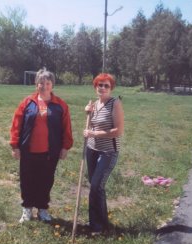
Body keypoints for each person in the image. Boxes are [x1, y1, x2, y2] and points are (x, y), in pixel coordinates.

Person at [10, 68, 73, 223]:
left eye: (47, 83)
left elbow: (67, 128)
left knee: (46, 180)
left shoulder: (61, 105)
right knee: (27, 180)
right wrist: (15, 146)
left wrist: (65, 147)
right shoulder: (27, 103)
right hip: (28, 150)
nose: (44, 86)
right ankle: (27, 209)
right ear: (36, 84)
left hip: (50, 152)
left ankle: (42, 209)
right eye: (41, 83)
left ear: (52, 85)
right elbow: (16, 125)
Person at [83, 73, 124, 235]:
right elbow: (91, 125)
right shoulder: (94, 104)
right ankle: (97, 223)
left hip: (108, 152)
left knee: (96, 187)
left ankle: (99, 227)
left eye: (106, 85)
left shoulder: (115, 104)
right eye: (100, 85)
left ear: (111, 88)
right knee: (95, 188)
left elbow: (118, 131)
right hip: (91, 149)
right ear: (95, 87)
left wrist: (94, 134)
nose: (103, 88)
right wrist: (87, 112)